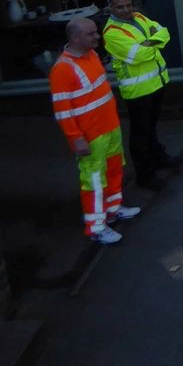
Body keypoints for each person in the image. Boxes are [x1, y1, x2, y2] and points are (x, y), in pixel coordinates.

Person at [50, 17, 140, 244]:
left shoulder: (91, 55)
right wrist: (75, 138)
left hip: (109, 128)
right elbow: (63, 111)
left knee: (113, 170)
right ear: (75, 38)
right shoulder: (62, 69)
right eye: (91, 34)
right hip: (91, 136)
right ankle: (96, 228)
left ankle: (113, 209)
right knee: (94, 181)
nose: (97, 37)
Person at [103, 0, 181, 190]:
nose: (126, 9)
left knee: (151, 127)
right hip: (137, 90)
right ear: (111, 8)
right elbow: (139, 55)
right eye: (120, 6)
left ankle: (158, 158)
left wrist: (148, 43)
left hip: (156, 82)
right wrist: (154, 42)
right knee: (140, 133)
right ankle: (144, 175)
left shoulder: (138, 17)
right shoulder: (112, 33)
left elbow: (164, 31)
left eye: (129, 5)